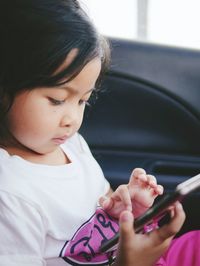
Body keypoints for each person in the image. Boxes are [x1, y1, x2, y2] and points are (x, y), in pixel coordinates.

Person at [0, 1, 198, 266]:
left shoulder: (72, 146)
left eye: (83, 101)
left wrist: (126, 210)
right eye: (57, 100)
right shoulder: (10, 194)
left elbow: (102, 205)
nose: (72, 119)